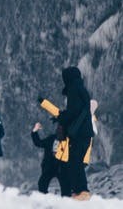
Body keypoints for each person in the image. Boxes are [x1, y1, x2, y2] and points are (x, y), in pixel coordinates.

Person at [59, 66, 94, 200]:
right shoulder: (81, 89)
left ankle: (82, 191)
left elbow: (73, 112)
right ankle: (79, 191)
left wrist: (62, 117)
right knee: (76, 162)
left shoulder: (73, 89)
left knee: (75, 162)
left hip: (79, 133)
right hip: (85, 132)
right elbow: (79, 111)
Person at [31, 120, 62, 195]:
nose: (59, 130)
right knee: (42, 184)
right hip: (49, 166)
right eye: (59, 128)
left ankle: (67, 199)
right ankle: (44, 198)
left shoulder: (68, 140)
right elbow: (39, 143)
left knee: (66, 185)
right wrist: (34, 131)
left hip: (61, 167)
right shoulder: (51, 138)